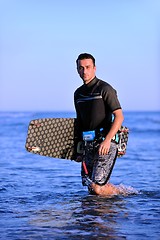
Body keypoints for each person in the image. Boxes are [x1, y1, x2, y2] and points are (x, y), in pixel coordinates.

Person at [74, 53, 124, 196]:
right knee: (91, 187)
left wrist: (108, 140)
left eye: (88, 67)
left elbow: (119, 116)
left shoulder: (105, 88)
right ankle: (96, 216)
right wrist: (78, 150)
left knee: (97, 188)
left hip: (105, 143)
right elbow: (80, 122)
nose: (84, 71)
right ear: (77, 70)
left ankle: (125, 194)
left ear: (94, 68)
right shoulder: (78, 93)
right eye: (81, 68)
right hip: (88, 143)